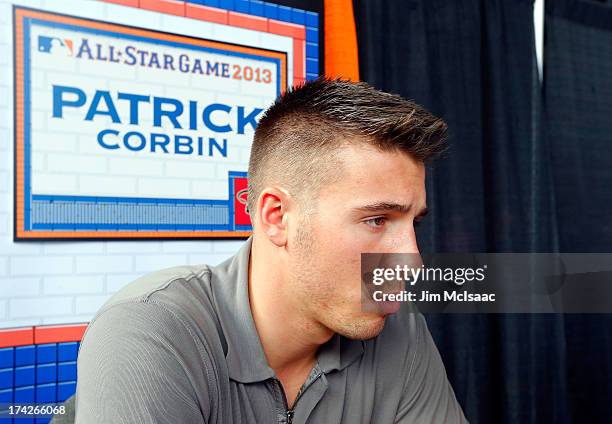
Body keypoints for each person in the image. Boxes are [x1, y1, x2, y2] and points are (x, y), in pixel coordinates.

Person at [74, 77, 468, 423]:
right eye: (376, 220)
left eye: (414, 223)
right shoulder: (153, 329)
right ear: (277, 217)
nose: (412, 260)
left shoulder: (398, 328)